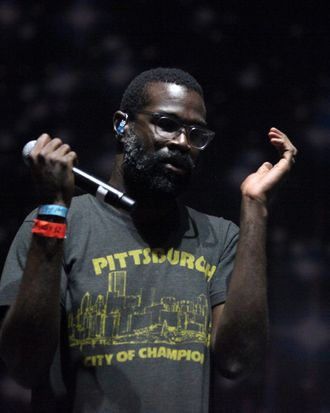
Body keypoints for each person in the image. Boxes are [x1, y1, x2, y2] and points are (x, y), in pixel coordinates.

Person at [0, 68, 297, 413]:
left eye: (196, 134)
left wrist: (256, 207)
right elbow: (24, 364)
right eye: (167, 125)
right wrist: (53, 212)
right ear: (121, 124)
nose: (183, 142)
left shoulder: (220, 237)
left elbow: (238, 361)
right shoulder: (56, 223)